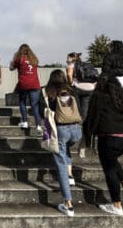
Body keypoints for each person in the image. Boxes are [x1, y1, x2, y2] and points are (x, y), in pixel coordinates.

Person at [83, 74, 123, 216]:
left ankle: (117, 206)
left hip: (109, 138)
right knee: (111, 160)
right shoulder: (122, 97)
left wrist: (87, 138)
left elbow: (91, 117)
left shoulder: (99, 96)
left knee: (109, 170)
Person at [42, 69, 82, 217]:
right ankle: (71, 175)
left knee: (60, 165)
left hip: (60, 130)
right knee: (65, 150)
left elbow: (42, 112)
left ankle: (68, 204)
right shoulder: (71, 90)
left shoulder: (49, 92)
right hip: (77, 131)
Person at [10, 44, 42, 133]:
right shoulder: (34, 59)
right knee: (34, 105)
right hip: (35, 85)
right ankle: (38, 125)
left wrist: (12, 62)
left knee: (22, 102)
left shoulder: (19, 59)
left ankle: (24, 121)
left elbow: (11, 68)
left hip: (24, 84)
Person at [71, 52, 99, 119]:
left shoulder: (75, 65)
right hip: (90, 88)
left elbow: (73, 76)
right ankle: (84, 123)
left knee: (77, 107)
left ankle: (78, 121)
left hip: (78, 88)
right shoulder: (89, 65)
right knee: (85, 107)